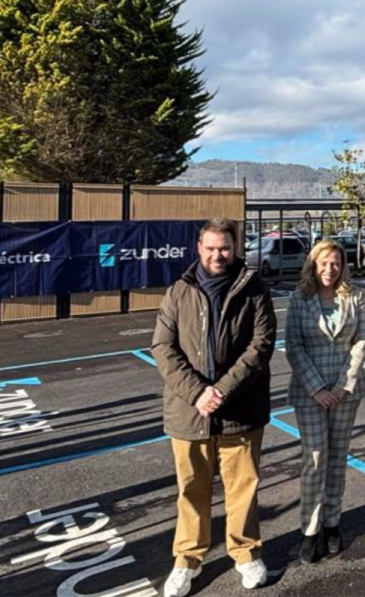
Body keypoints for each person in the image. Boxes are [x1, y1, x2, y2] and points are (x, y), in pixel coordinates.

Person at [153, 218, 276, 597]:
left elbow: (261, 345)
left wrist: (220, 391)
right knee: (192, 490)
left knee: (243, 489)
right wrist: (197, 393)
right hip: (189, 413)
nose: (217, 255)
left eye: (224, 247)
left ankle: (245, 553)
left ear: (234, 248)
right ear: (199, 248)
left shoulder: (254, 288)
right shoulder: (178, 292)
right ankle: (187, 560)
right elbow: (163, 348)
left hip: (241, 411)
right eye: (210, 248)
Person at [285, 240, 365, 563]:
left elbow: (362, 340)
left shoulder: (355, 296)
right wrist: (318, 388)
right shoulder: (299, 298)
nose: (329, 269)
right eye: (323, 263)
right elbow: (293, 345)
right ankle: (309, 528)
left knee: (337, 458)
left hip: (345, 392)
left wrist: (341, 386)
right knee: (316, 458)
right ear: (313, 264)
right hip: (310, 393)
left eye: (335, 263)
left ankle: (332, 522)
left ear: (342, 265)